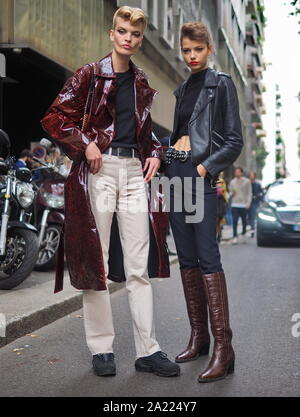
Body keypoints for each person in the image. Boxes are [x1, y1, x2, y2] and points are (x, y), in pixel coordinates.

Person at [41, 6, 179, 378]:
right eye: (122, 31)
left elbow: (144, 130)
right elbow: (56, 116)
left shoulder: (141, 82)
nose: (128, 39)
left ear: (139, 39)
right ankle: (102, 348)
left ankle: (148, 350)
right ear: (111, 33)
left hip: (134, 172)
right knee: (97, 262)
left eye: (135, 34)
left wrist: (154, 154)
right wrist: (85, 144)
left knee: (139, 266)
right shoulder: (90, 73)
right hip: (100, 171)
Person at [164, 22, 243, 382]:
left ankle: (223, 349)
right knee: (187, 258)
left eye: (197, 49)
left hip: (199, 178)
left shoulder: (220, 85)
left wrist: (202, 168)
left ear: (209, 48)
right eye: (186, 50)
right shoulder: (182, 90)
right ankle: (200, 336)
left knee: (208, 257)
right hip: (176, 177)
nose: (191, 56)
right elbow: (181, 134)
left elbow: (233, 141)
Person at [229, 167, 252, 244]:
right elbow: (230, 193)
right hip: (235, 204)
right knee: (234, 221)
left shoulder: (247, 181)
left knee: (244, 221)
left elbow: (249, 193)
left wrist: (248, 202)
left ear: (242, 173)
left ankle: (243, 233)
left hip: (243, 204)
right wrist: (231, 194)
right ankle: (235, 237)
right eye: (236, 172)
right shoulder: (232, 182)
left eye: (238, 172)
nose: (237, 173)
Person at [247, 171, 263, 237]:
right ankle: (249, 229)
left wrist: (257, 196)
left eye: (252, 175)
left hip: (254, 202)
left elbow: (261, 193)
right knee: (249, 217)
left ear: (254, 176)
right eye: (250, 175)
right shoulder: (247, 184)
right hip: (247, 202)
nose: (251, 176)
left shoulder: (258, 184)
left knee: (252, 216)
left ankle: (252, 230)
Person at [216, 174, 228, 242]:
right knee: (215, 221)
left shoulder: (221, 181)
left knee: (218, 221)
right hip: (212, 202)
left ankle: (219, 235)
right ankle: (218, 235)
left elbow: (223, 192)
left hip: (220, 203)